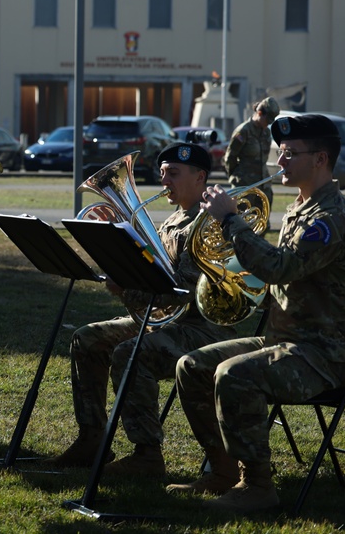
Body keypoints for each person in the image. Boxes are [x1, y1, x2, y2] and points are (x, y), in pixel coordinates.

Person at [170, 114, 345, 513]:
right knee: (191, 366)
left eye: (291, 154)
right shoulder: (301, 209)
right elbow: (275, 274)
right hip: (286, 339)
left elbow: (280, 268)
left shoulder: (334, 220)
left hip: (323, 354)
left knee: (234, 374)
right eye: (281, 152)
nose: (280, 162)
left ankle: (257, 485)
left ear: (320, 159)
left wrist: (229, 219)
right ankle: (223, 471)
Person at [49, 143, 236, 476]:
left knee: (129, 353)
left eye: (173, 174)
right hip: (164, 321)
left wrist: (129, 287)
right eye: (162, 173)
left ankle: (147, 453)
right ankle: (92, 438)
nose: (165, 181)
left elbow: (184, 293)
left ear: (200, 177)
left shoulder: (210, 223)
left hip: (201, 327)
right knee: (87, 339)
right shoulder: (173, 218)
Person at [224, 97, 280, 210]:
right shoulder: (243, 131)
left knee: (263, 221)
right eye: (267, 120)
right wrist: (236, 178)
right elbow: (230, 157)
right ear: (259, 113)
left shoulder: (266, 132)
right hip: (245, 185)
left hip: (263, 184)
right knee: (242, 221)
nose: (268, 124)